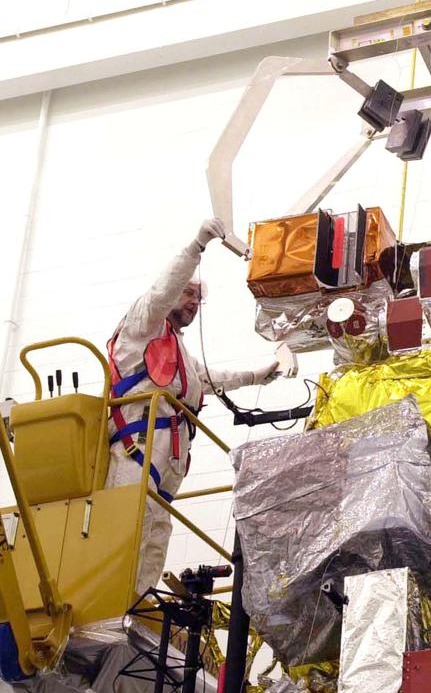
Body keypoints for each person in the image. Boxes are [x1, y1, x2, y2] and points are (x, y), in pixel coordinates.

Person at [106, 217, 281, 595]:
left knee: (155, 534)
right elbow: (160, 293)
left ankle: (136, 606)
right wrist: (196, 247)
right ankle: (110, 605)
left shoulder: (177, 350)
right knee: (126, 527)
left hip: (167, 459)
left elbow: (207, 379)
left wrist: (257, 376)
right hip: (136, 448)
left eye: (198, 298)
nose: (192, 303)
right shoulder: (140, 328)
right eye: (187, 294)